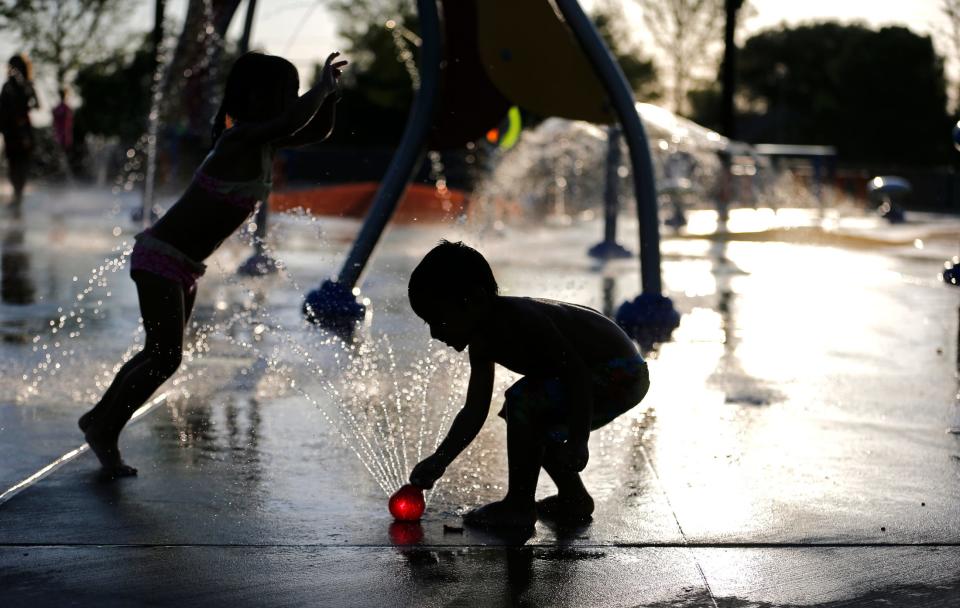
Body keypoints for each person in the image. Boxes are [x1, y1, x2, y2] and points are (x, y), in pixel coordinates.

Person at [79, 51, 347, 479]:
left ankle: (99, 419)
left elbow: (314, 129)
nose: (293, 101)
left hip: (182, 265)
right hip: (161, 258)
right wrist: (319, 91)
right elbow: (290, 122)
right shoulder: (237, 140)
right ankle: (104, 428)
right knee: (165, 357)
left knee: (157, 353)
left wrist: (329, 96)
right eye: (287, 93)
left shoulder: (263, 142)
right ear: (258, 97)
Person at [407, 241, 650, 530]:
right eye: (428, 324)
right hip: (604, 375)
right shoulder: (482, 342)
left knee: (523, 402)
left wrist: (578, 439)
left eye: (439, 319)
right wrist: (440, 459)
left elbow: (577, 375)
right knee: (525, 413)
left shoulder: (522, 321)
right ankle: (574, 498)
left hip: (621, 373)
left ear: (475, 299)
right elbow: (474, 410)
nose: (435, 333)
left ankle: (519, 506)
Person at [0, 54, 39, 212]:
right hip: (11, 131)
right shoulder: (7, 87)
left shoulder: (25, 85)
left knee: (20, 164)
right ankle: (17, 196)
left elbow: (36, 104)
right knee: (14, 164)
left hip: (22, 130)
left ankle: (18, 196)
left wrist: (29, 90)